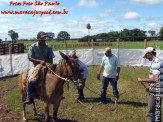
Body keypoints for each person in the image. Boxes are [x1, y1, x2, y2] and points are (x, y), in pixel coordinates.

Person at [24, 31, 55, 104]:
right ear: (38, 38)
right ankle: (30, 96)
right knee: (29, 78)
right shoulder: (32, 47)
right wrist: (39, 61)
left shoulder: (48, 47)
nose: (44, 39)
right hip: (36, 66)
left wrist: (50, 64)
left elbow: (51, 57)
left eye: (45, 38)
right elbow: (30, 58)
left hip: (47, 66)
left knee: (56, 76)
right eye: (42, 38)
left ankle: (57, 94)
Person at [138, 47, 163, 122]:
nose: (146, 58)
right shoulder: (158, 61)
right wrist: (149, 86)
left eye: (146, 56)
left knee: (150, 112)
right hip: (158, 90)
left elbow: (155, 79)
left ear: (150, 54)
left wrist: (142, 80)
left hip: (155, 92)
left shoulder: (155, 63)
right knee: (157, 112)